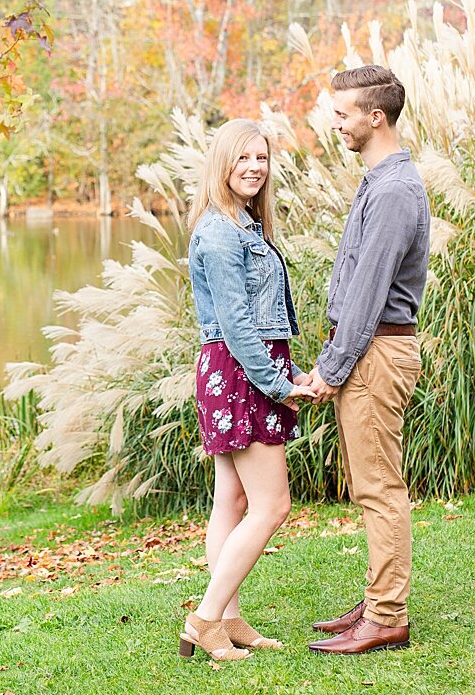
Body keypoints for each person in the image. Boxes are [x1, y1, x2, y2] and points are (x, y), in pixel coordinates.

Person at [303, 65, 430, 655]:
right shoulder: (380, 180)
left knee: (380, 488)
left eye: (343, 113)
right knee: (370, 484)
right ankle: (379, 595)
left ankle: (386, 615)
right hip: (370, 349)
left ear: (374, 117)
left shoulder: (396, 191)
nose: (336, 124)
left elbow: (368, 292)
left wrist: (332, 367)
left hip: (378, 351)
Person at [180, 118, 317, 662]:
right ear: (222, 163)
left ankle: (229, 618)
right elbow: (238, 326)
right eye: (243, 158)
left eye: (261, 158)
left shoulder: (247, 227)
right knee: (272, 503)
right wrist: (279, 384)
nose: (254, 168)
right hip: (241, 373)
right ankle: (206, 619)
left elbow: (260, 319)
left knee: (232, 500)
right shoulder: (219, 233)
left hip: (246, 368)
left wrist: (291, 369)